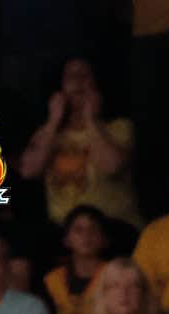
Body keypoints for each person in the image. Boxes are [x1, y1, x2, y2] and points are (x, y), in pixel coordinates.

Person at [18, 56, 140, 230]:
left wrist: (91, 119)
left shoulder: (119, 127)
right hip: (64, 231)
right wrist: (53, 122)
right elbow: (29, 171)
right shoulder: (46, 133)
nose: (77, 81)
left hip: (112, 226)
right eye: (70, 76)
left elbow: (112, 167)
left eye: (84, 75)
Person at [43, 204, 109, 314]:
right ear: (67, 240)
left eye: (93, 230)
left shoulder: (113, 274)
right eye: (78, 230)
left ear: (104, 239)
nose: (86, 236)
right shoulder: (52, 279)